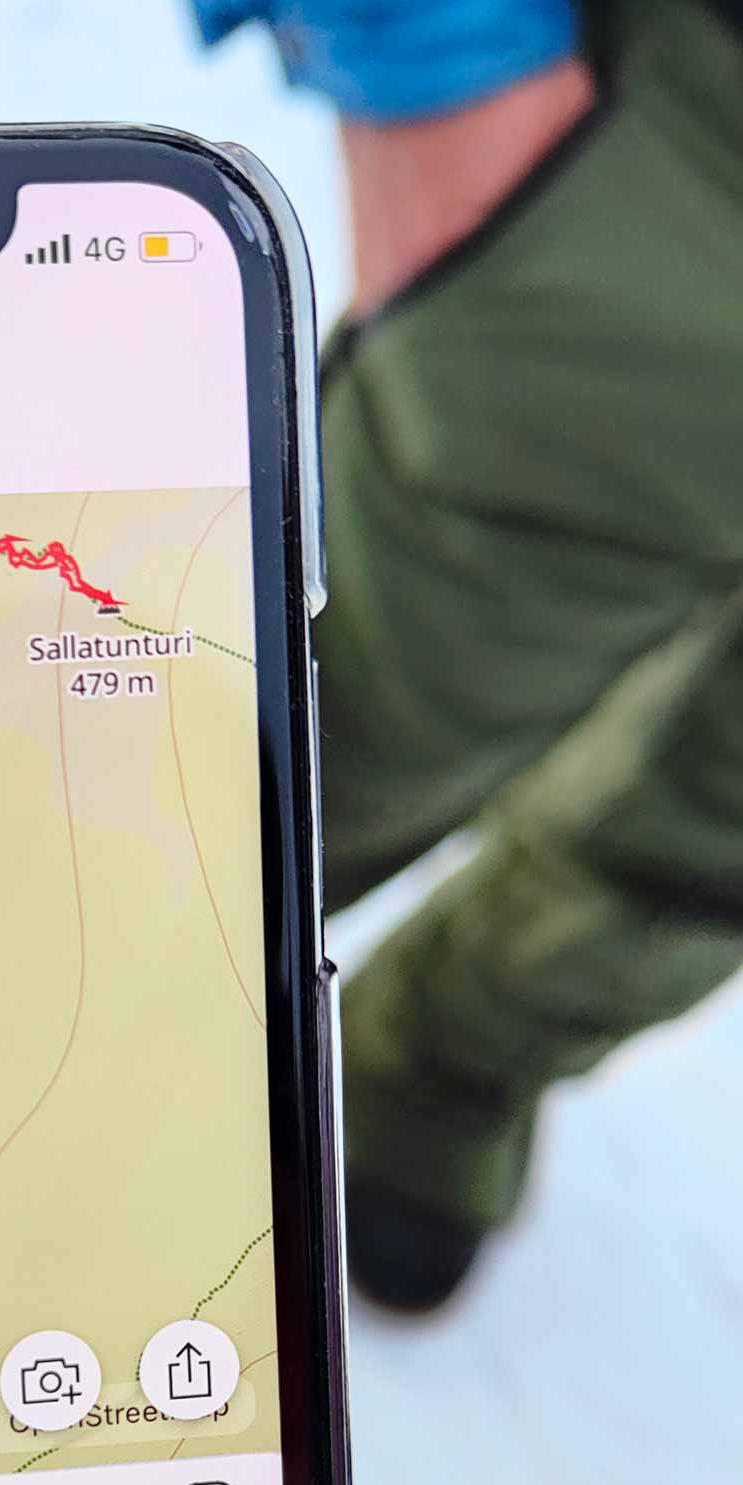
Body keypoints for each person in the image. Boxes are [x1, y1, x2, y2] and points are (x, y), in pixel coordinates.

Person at [195, 0, 743, 1308]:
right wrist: (431, 55)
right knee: (294, 754)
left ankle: (441, 1072)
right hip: (682, 186)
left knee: (713, 833)